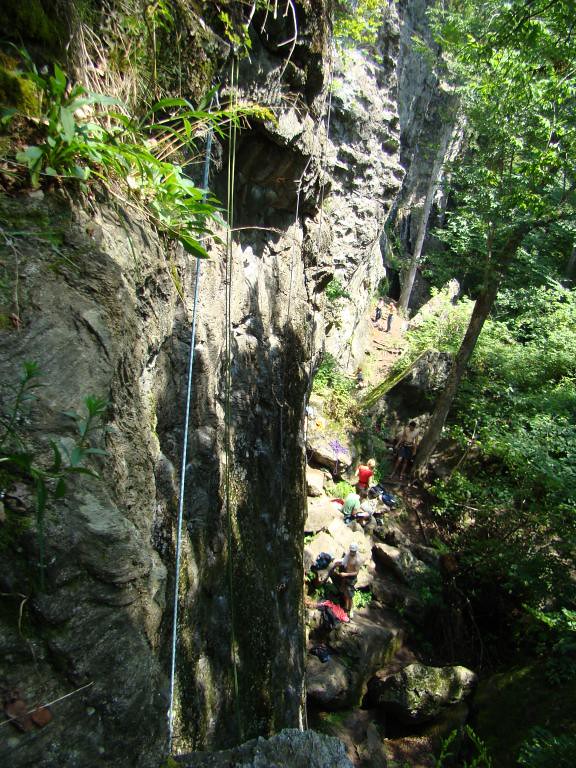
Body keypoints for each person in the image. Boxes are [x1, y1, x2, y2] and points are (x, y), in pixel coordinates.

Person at [330, 542, 362, 615]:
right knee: (345, 593)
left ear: (356, 551)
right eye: (351, 551)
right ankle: (346, 608)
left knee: (350, 595)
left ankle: (351, 610)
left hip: (351, 578)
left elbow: (356, 572)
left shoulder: (358, 560)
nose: (352, 552)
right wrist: (337, 564)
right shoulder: (348, 555)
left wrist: (346, 574)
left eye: (353, 551)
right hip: (345, 576)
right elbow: (344, 562)